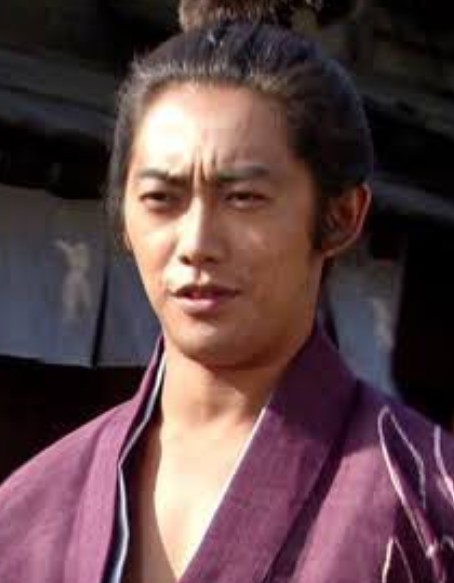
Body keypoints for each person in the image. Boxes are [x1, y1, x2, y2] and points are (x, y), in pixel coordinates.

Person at [1, 1, 454, 582]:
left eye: (243, 199)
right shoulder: (29, 514)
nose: (197, 244)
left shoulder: (427, 504)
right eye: (161, 199)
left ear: (340, 216)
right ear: (121, 219)